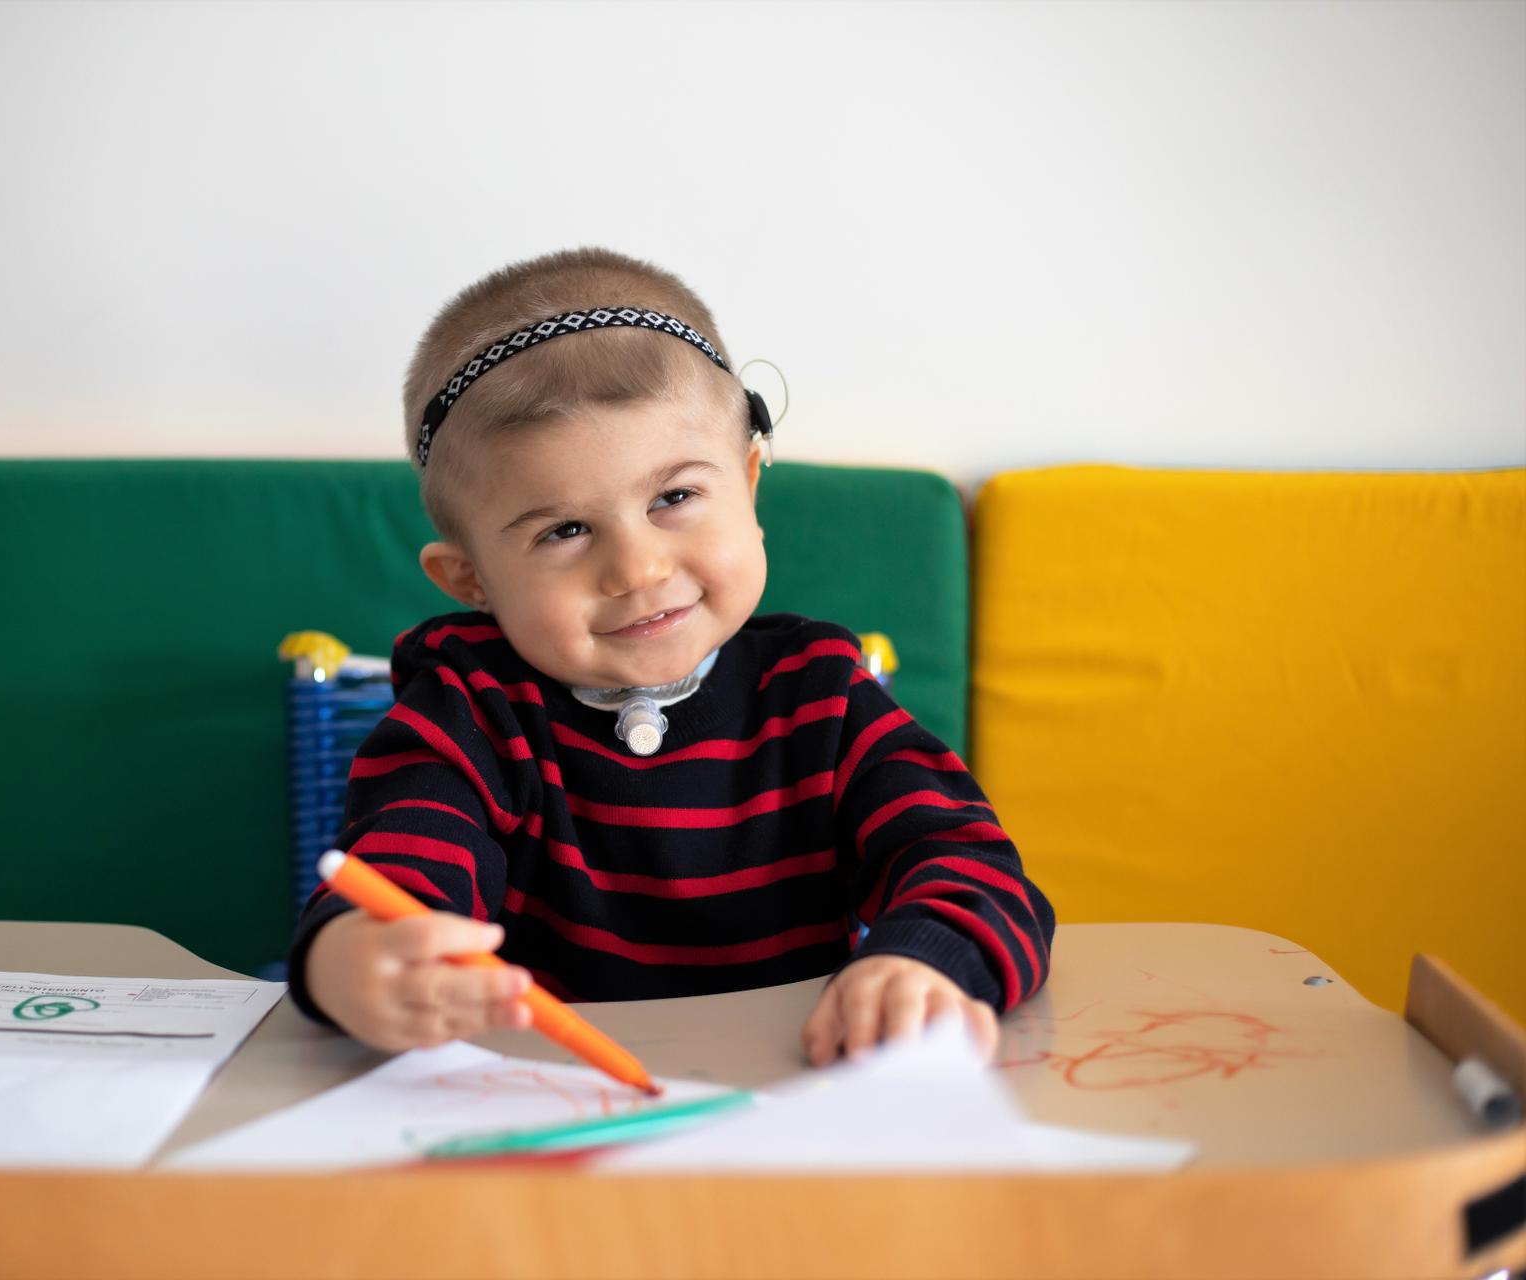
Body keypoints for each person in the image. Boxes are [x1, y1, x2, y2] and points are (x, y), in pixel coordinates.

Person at [289, 247, 1053, 1067]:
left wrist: (924, 962)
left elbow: (968, 863)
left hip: (799, 1091)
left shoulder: (824, 697)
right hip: (554, 1097)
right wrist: (350, 962)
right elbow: (404, 866)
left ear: (750, 485)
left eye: (675, 498)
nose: (638, 569)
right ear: (470, 578)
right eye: (565, 531)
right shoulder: (469, 708)